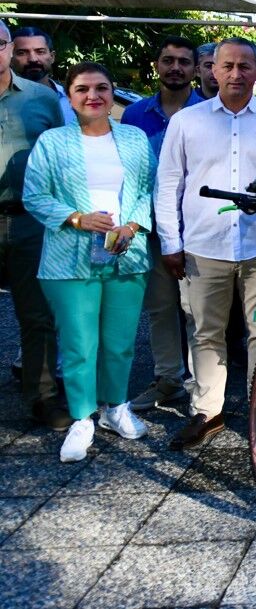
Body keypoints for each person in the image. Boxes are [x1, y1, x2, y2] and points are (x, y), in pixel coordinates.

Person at [157, 38, 256, 450]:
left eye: (245, 66)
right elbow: (169, 184)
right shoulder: (188, 122)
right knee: (206, 331)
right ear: (213, 70)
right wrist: (171, 241)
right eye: (228, 66)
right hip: (205, 247)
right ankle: (208, 410)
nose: (236, 74)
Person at [24, 62, 155, 462]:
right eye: (82, 89)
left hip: (125, 252)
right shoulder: (52, 142)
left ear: (113, 93)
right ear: (70, 95)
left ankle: (115, 406)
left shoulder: (133, 138)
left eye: (101, 87)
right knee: (80, 344)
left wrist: (134, 224)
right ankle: (83, 417)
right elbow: (34, 195)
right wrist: (77, 218)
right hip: (69, 257)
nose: (93, 95)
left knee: (119, 343)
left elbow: (151, 188)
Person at [120, 36, 204, 411]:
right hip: (151, 227)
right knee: (160, 309)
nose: (176, 68)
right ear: (157, 65)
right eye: (168, 60)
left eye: (184, 62)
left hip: (198, 229)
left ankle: (202, 386)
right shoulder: (135, 115)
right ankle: (167, 379)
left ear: (195, 68)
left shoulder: (209, 110)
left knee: (196, 312)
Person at [0, 23, 68, 429]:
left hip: (28, 220)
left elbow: (60, 161)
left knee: (37, 313)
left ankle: (42, 396)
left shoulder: (43, 100)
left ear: (8, 49)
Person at [11, 27, 71, 122]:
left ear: (52, 57)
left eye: (40, 52)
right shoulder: (3, 101)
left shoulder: (73, 98)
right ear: (10, 58)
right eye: (22, 53)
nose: (33, 59)